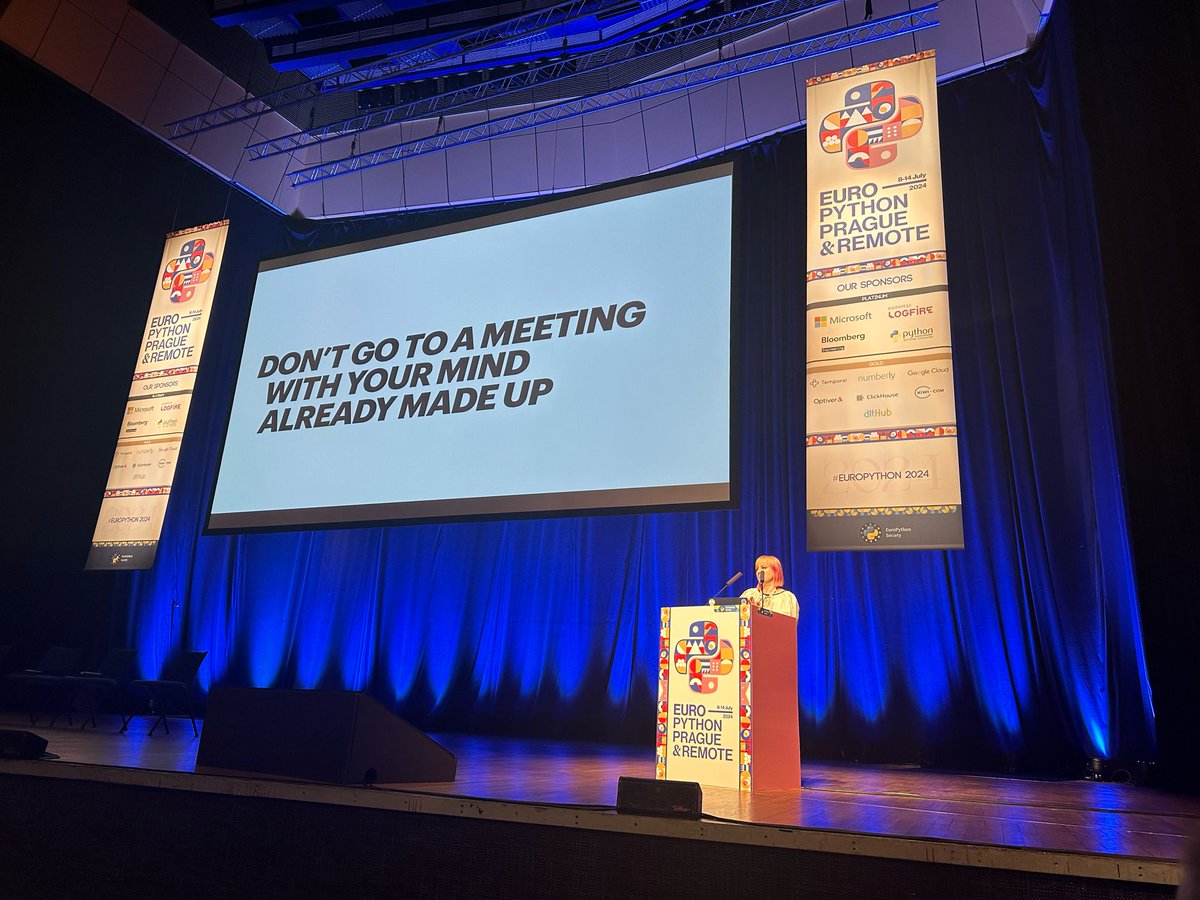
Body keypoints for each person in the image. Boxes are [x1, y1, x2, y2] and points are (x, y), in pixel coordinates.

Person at [739, 554, 799, 618]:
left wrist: (758, 612)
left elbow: (790, 625)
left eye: (764, 568)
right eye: (757, 569)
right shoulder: (749, 594)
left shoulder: (787, 597)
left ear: (775, 571)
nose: (759, 571)